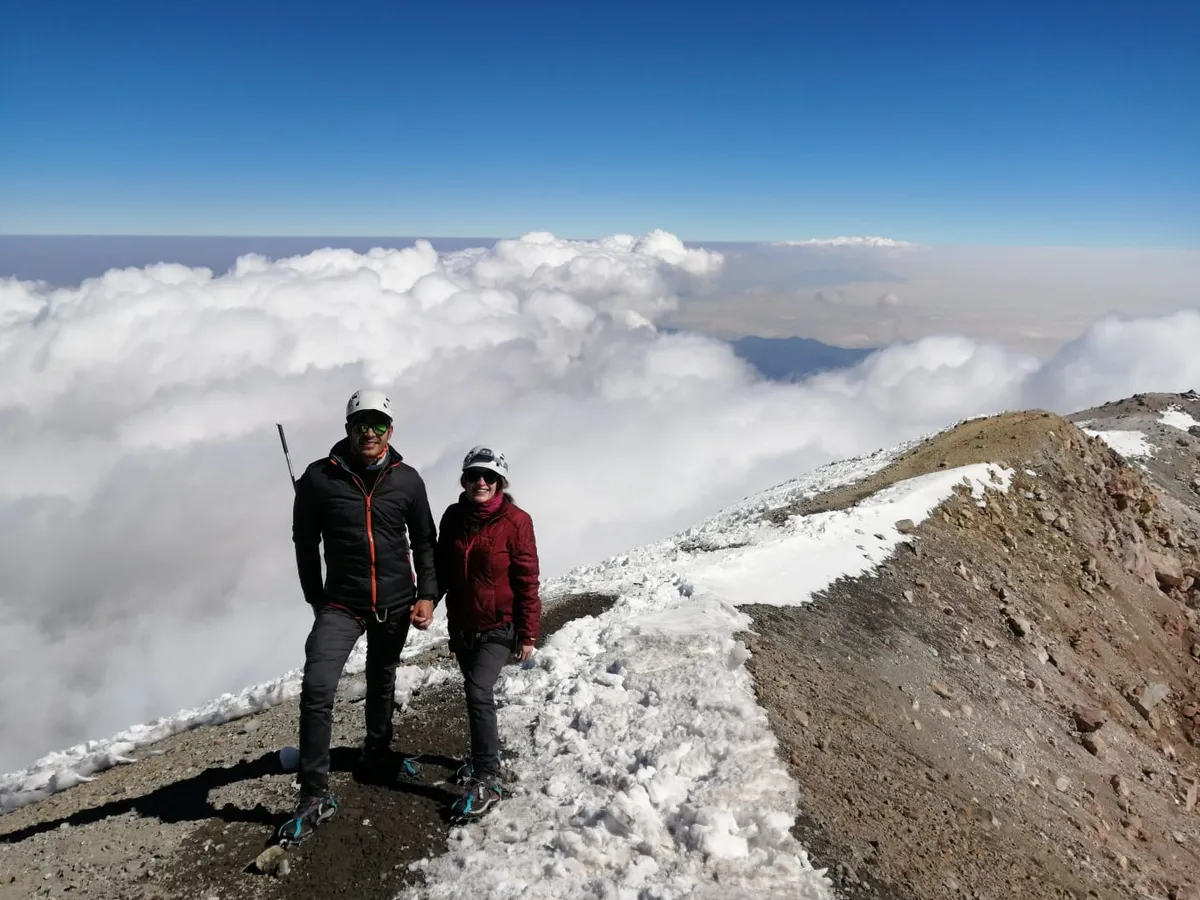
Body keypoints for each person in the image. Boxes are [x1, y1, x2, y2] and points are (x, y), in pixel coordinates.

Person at [279, 388, 440, 844]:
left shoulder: (407, 480)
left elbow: (425, 541)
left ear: (390, 430)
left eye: (378, 424)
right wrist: (315, 598)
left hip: (394, 600)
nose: (369, 432)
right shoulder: (317, 479)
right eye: (360, 424)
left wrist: (427, 595)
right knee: (317, 687)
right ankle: (313, 793)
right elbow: (304, 543)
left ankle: (377, 751)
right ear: (347, 428)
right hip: (341, 603)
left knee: (382, 675)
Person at [435, 445, 541, 819]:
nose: (481, 482)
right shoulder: (453, 517)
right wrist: (426, 600)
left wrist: (527, 633)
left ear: (499, 482)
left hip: (500, 625)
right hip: (464, 625)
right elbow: (442, 566)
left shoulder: (516, 521)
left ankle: (488, 777)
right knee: (475, 694)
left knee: (477, 690)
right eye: (473, 476)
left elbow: (527, 580)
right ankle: (484, 757)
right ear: (463, 481)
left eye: (489, 477)